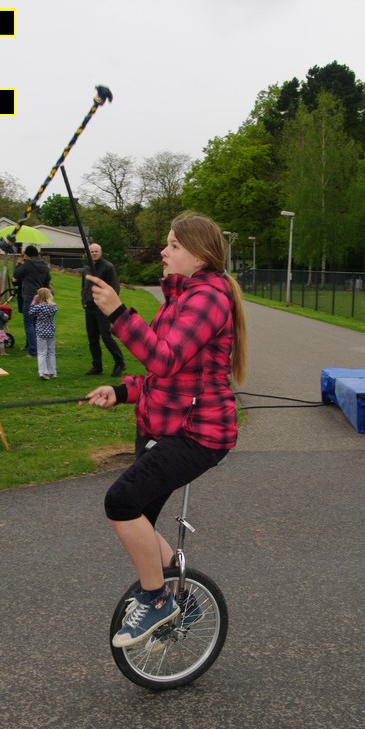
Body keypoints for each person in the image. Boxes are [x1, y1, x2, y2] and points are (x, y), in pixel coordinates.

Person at [83, 213, 247, 650]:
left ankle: (156, 599)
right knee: (140, 517)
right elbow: (163, 376)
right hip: (168, 425)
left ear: (199, 256)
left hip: (197, 434)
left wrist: (118, 311)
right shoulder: (180, 298)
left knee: (121, 501)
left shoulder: (208, 297)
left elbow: (164, 359)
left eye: (174, 245)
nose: (163, 251)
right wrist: (121, 391)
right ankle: (184, 604)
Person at [81, 243, 126, 377]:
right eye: (91, 251)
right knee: (92, 338)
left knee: (106, 335)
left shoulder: (108, 267)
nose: (94, 253)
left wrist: (108, 304)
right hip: (89, 307)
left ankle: (119, 362)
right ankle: (97, 366)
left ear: (100, 253)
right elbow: (84, 287)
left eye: (96, 251)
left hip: (101, 307)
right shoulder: (87, 269)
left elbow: (114, 287)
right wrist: (84, 301)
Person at [12, 246, 52, 358]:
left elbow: (16, 274)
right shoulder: (44, 265)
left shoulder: (28, 264)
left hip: (29, 297)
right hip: (41, 297)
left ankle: (33, 351)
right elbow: (47, 280)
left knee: (29, 324)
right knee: (36, 323)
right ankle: (32, 345)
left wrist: (19, 263)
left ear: (28, 254)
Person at [29, 287, 58, 379]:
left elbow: (30, 313)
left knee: (42, 353)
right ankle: (52, 371)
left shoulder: (39, 307)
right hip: (50, 331)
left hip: (41, 331)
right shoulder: (53, 306)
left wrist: (34, 302)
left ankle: (43, 372)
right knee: (51, 352)